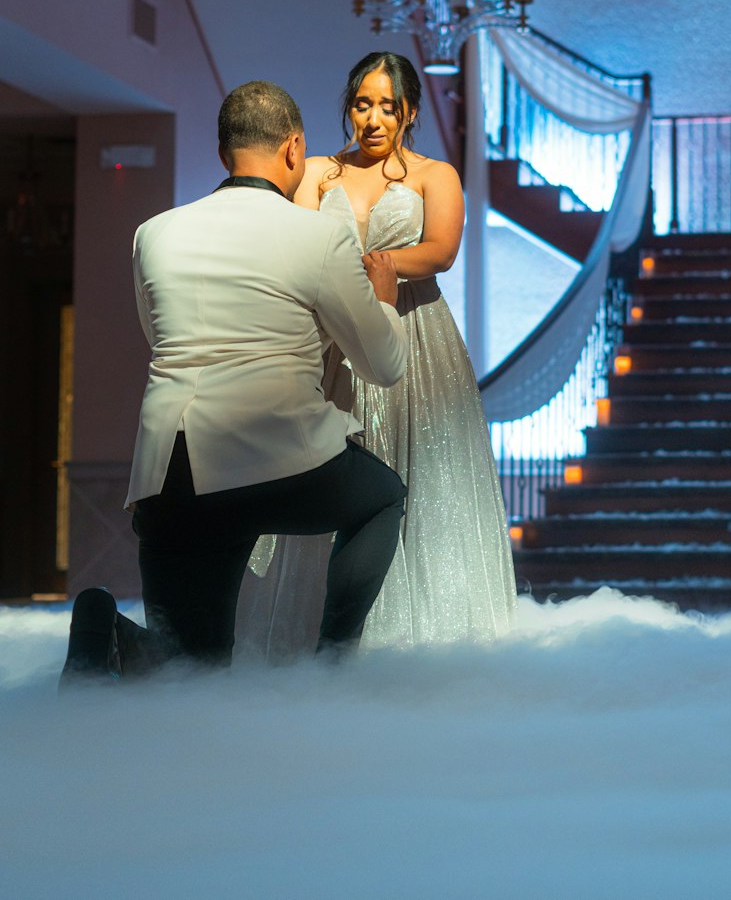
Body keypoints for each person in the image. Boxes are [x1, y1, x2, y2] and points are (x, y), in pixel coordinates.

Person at [60, 80, 408, 685]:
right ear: (295, 149)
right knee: (383, 498)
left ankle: (101, 624)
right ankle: (332, 665)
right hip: (281, 460)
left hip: (172, 469)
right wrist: (381, 301)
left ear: (224, 154)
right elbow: (383, 365)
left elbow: (160, 338)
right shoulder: (319, 236)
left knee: (188, 668)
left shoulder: (155, 233)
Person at [237, 53, 517, 654]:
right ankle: (320, 633)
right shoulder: (316, 171)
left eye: (388, 106)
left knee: (419, 472)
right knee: (330, 466)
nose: (373, 117)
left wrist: (364, 272)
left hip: (417, 333)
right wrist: (355, 282)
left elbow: (441, 252)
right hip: (332, 336)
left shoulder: (434, 174)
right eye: (363, 103)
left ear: (410, 111)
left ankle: (418, 633)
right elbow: (293, 244)